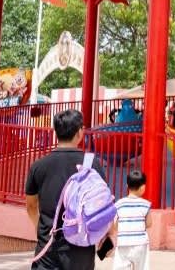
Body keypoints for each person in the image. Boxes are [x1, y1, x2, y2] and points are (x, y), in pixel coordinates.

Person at [24, 109, 110, 270]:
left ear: (56, 132)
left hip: (48, 246)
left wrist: (39, 228)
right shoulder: (92, 164)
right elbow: (103, 204)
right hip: (81, 247)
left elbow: (31, 205)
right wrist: (107, 234)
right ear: (79, 132)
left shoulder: (39, 166)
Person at [112, 170, 152, 270]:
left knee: (120, 267)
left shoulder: (119, 204)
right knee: (141, 267)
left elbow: (115, 225)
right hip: (140, 243)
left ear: (127, 186)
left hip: (123, 243)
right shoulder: (145, 204)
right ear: (143, 187)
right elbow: (149, 223)